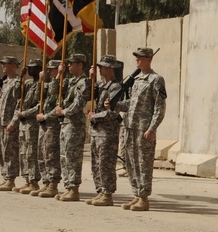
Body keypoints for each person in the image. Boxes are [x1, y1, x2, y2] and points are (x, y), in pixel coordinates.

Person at [111, 48, 166, 212]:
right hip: (130, 127)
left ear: (149, 59)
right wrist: (116, 105)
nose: (137, 61)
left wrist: (152, 128)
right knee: (131, 163)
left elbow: (159, 107)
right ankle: (136, 194)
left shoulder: (156, 79)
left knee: (144, 164)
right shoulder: (136, 80)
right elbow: (131, 104)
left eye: (140, 58)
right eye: (136, 58)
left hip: (144, 129)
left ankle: (144, 198)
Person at [87, 55, 124, 206]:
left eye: (102, 67)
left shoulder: (116, 87)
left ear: (110, 68)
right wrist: (91, 78)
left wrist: (94, 116)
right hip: (96, 131)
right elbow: (87, 94)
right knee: (96, 163)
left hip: (108, 131)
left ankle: (107, 194)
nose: (99, 69)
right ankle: (100, 191)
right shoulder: (100, 85)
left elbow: (113, 112)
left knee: (106, 163)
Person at [53, 53, 91, 202]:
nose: (69, 66)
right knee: (64, 156)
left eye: (72, 63)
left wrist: (64, 111)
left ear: (80, 65)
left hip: (74, 124)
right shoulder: (70, 81)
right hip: (66, 123)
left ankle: (74, 188)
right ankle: (68, 186)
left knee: (72, 157)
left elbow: (79, 103)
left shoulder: (83, 82)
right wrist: (59, 75)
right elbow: (53, 91)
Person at [34, 59, 64, 198]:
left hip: (52, 123)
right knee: (42, 153)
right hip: (44, 122)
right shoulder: (49, 83)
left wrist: (59, 75)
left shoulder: (62, 83)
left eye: (51, 70)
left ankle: (53, 183)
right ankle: (45, 181)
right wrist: (41, 81)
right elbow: (38, 95)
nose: (49, 72)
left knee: (51, 154)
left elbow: (55, 96)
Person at [12, 61, 42, 195]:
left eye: (32, 68)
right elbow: (17, 94)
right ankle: (27, 180)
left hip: (32, 123)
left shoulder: (42, 84)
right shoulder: (29, 83)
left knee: (31, 152)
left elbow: (39, 106)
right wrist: (20, 77)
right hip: (24, 123)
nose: (29, 70)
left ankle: (34, 181)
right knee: (23, 152)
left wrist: (24, 113)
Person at [0, 56, 22, 192]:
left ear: (13, 66)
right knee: (2, 151)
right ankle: (5, 177)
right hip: (0, 122)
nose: (3, 66)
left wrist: (14, 122)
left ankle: (10, 179)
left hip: (9, 123)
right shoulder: (4, 83)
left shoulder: (17, 82)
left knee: (10, 151)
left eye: (6, 64)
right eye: (3, 64)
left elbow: (19, 104)